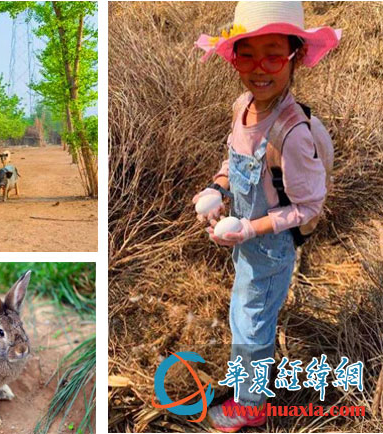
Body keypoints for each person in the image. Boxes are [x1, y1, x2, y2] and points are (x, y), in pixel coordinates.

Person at [192, 2, 340, 431]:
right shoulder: (243, 106)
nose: (260, 68)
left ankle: (251, 403)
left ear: (295, 57)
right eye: (247, 54)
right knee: (246, 313)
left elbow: (310, 206)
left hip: (270, 249)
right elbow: (232, 160)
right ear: (233, 59)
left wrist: (250, 228)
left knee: (252, 323)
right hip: (249, 244)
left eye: (273, 54)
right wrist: (217, 189)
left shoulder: (293, 133)